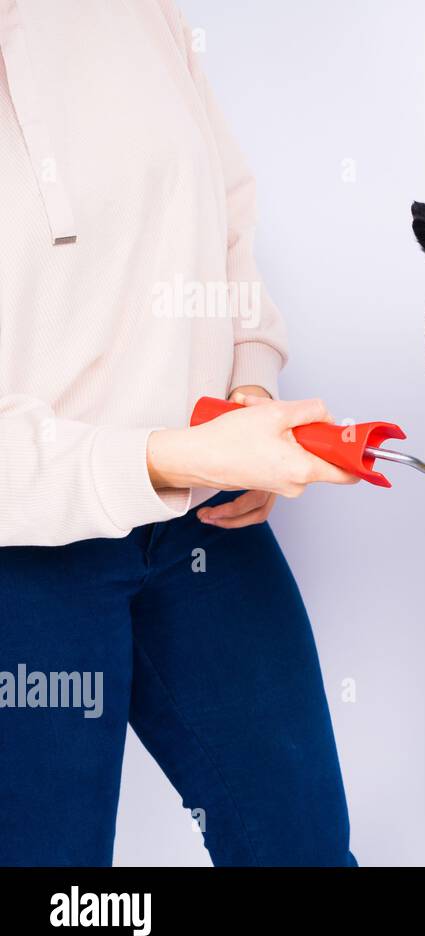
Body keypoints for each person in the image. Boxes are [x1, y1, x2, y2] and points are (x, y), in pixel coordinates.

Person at [0, 0, 358, 865]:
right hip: (23, 567)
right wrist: (180, 453)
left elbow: (224, 217)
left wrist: (247, 393)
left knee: (303, 852)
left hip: (206, 525)